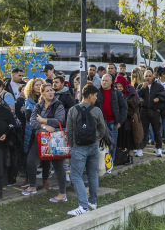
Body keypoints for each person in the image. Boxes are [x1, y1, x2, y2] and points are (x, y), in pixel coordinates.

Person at [65, 84, 107, 216]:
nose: (96, 98)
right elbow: (102, 128)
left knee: (76, 175)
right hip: (93, 146)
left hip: (79, 147)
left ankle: (83, 206)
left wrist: (73, 144)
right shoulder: (96, 110)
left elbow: (69, 130)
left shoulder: (72, 110)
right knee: (93, 174)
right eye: (95, 96)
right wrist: (97, 139)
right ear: (89, 95)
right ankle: (92, 202)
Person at [21, 83, 68, 201]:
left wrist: (44, 120)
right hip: (40, 138)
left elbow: (60, 121)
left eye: (51, 90)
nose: (50, 92)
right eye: (47, 91)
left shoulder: (58, 105)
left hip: (55, 139)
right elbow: (32, 121)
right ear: (42, 94)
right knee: (30, 161)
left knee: (58, 167)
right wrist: (44, 126)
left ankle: (62, 193)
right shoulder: (38, 106)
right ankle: (32, 186)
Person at [138, 69, 165, 157]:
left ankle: (158, 148)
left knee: (156, 131)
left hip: (155, 111)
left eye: (149, 76)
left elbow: (164, 96)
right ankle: (140, 148)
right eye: (146, 76)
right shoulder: (141, 86)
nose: (148, 78)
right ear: (143, 77)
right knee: (143, 131)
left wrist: (159, 99)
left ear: (153, 76)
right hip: (144, 111)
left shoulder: (158, 86)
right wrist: (143, 88)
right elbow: (136, 96)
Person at [98, 74, 127, 157]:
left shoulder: (116, 93)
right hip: (100, 122)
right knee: (100, 144)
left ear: (111, 82)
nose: (104, 82)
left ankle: (111, 163)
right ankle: (101, 164)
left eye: (106, 81)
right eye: (103, 80)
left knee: (112, 144)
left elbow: (124, 107)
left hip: (112, 122)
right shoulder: (97, 93)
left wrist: (120, 121)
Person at [115, 75, 140, 164]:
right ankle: (120, 157)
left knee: (129, 138)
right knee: (119, 139)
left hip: (129, 118)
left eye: (121, 86)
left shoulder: (130, 89)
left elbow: (137, 101)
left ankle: (130, 157)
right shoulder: (115, 91)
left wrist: (128, 102)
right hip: (118, 119)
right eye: (117, 86)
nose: (119, 88)